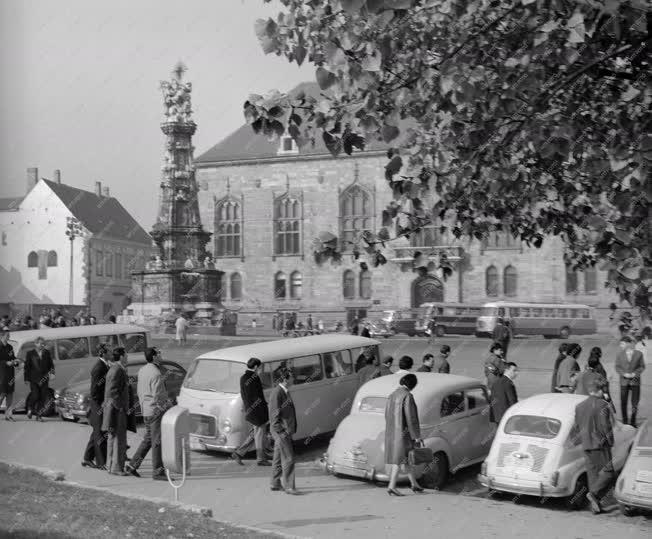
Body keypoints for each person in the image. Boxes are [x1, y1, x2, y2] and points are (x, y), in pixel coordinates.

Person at [125, 348, 169, 480]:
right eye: (159, 353)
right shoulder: (156, 373)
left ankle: (132, 466)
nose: (161, 354)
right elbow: (158, 396)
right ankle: (158, 472)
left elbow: (140, 391)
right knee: (157, 442)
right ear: (154, 357)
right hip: (155, 411)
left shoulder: (143, 370)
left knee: (149, 439)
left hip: (146, 409)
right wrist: (167, 405)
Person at [574, 378, 616, 514]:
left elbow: (576, 427)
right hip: (600, 444)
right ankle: (594, 495)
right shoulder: (602, 404)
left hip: (586, 444)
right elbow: (606, 426)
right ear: (599, 390)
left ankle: (595, 507)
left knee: (593, 475)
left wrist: (578, 441)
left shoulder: (579, 406)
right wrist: (610, 441)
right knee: (608, 473)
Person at [385, 373, 424, 496]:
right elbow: (411, 418)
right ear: (412, 385)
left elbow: (386, 415)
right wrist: (417, 436)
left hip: (392, 433)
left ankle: (414, 484)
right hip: (404, 434)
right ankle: (392, 486)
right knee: (402, 460)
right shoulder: (408, 396)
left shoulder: (392, 395)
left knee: (403, 460)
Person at [231, 358, 272, 467]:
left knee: (255, 434)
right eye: (259, 367)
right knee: (259, 434)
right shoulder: (255, 378)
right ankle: (261, 459)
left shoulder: (243, 378)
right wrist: (264, 410)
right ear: (255, 367)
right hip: (258, 411)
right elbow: (258, 397)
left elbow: (246, 396)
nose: (260, 369)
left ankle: (238, 453)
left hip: (250, 410)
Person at [269, 366, 299, 495]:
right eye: (292, 376)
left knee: (277, 458)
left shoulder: (284, 391)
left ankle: (275, 483)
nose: (294, 379)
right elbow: (274, 415)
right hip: (281, 431)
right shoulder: (278, 393)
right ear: (286, 379)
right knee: (289, 459)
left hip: (283, 430)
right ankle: (289, 487)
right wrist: (281, 431)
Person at [82, 344, 111, 469]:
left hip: (100, 403)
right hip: (98, 404)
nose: (112, 353)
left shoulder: (105, 365)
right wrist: (102, 403)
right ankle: (101, 462)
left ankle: (87, 458)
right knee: (100, 434)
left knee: (96, 433)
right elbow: (94, 391)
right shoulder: (99, 367)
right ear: (104, 353)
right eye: (109, 352)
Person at [102, 347, 130, 476]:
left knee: (113, 438)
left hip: (114, 408)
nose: (127, 356)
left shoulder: (116, 368)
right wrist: (120, 407)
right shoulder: (117, 370)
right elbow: (112, 392)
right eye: (126, 354)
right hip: (116, 409)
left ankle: (110, 465)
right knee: (119, 438)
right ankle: (117, 468)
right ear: (122, 356)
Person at [615, 336, 645, 426]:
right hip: (624, 382)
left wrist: (634, 374)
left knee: (634, 403)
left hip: (635, 381)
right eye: (620, 344)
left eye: (622, 344)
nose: (621, 346)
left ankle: (632, 422)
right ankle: (624, 421)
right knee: (623, 402)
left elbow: (642, 366)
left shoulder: (639, 354)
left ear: (628, 343)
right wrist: (623, 374)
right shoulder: (619, 354)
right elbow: (617, 367)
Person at [24, 336, 54, 421]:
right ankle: (30, 408)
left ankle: (39, 415)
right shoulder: (30, 353)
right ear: (36, 344)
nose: (42, 345)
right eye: (40, 343)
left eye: (43, 343)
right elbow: (27, 367)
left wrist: (52, 373)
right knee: (36, 395)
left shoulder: (47, 352)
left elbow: (51, 365)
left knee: (43, 397)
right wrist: (26, 378)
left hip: (44, 379)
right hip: (34, 379)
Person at [0, 330, 19, 421]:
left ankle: (8, 415)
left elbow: (13, 358)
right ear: (2, 336)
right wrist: (5, 363)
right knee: (2, 394)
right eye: (7, 335)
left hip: (10, 374)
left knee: (10, 395)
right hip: (1, 375)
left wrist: (16, 361)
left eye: (9, 335)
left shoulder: (10, 347)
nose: (9, 337)